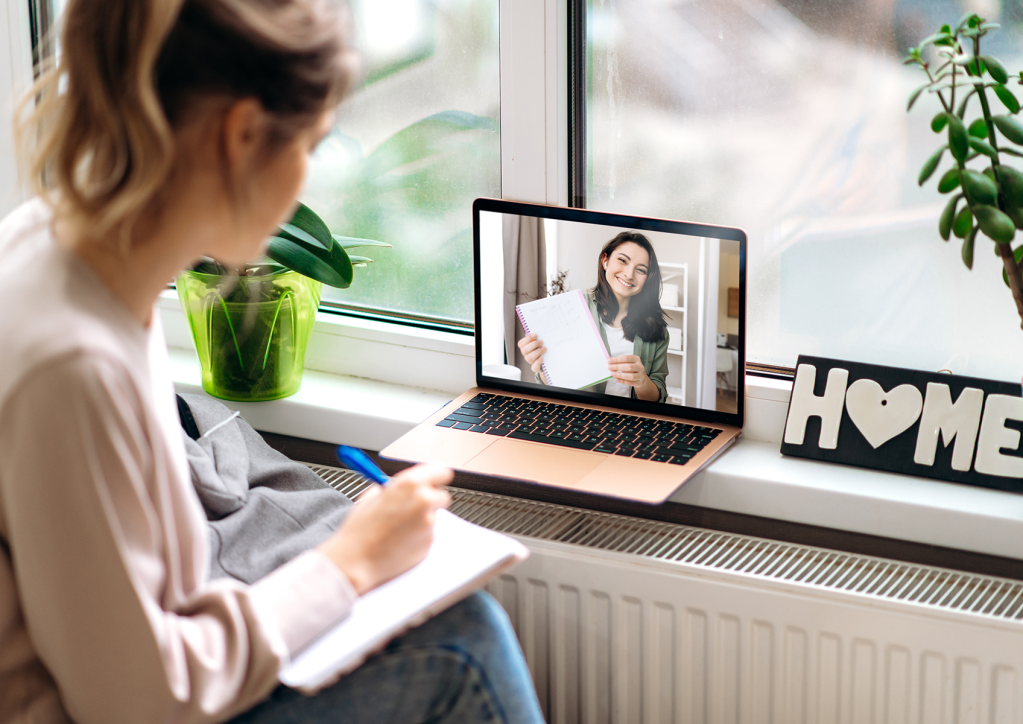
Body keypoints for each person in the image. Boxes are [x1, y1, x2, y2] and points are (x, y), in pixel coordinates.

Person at [0, 1, 544, 723]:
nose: (306, 183)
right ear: (243, 134)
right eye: (311, 145)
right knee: (464, 643)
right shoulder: (69, 364)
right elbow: (135, 702)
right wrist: (347, 564)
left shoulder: (60, 244)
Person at [518, 232, 670, 403]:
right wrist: (543, 368)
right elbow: (554, 387)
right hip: (580, 416)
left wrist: (642, 381)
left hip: (631, 421)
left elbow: (658, 398)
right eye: (622, 260)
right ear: (605, 261)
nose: (629, 274)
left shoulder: (657, 329)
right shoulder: (571, 309)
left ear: (647, 279)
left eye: (641, 269)